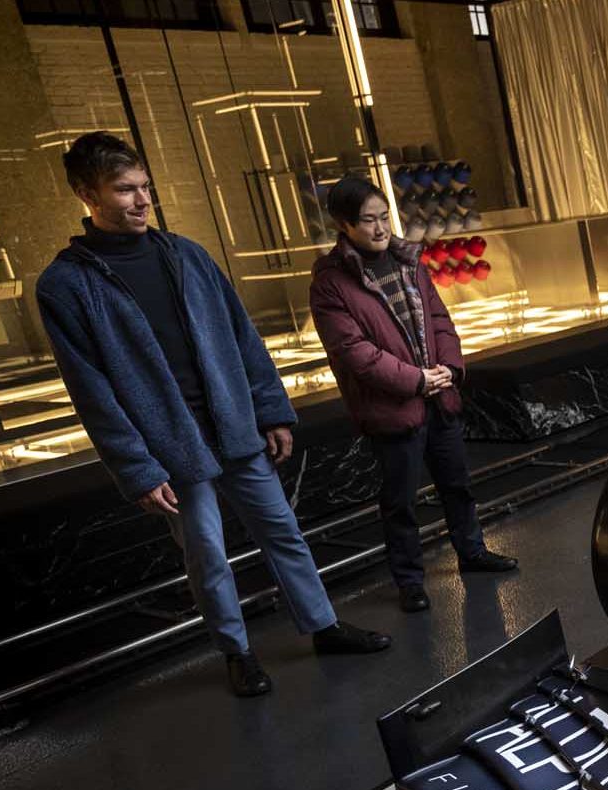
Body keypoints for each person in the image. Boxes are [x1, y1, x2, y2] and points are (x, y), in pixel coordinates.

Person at [35, 132, 391, 698]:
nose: (141, 200)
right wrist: (137, 468)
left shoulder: (187, 255)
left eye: (145, 186)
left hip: (235, 427)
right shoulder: (67, 285)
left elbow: (243, 337)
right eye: (124, 190)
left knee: (285, 533)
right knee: (207, 556)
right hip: (171, 445)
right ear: (86, 194)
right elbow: (91, 391)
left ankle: (324, 626)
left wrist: (271, 409)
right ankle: (237, 652)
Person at [310, 177, 517, 614]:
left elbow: (440, 319)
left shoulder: (409, 259)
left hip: (439, 397)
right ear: (344, 225)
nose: (381, 228)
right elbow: (355, 353)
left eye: (385, 217)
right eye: (369, 220)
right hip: (393, 407)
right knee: (400, 502)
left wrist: (449, 367)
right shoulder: (330, 281)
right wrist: (416, 381)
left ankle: (473, 553)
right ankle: (409, 581)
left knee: (457, 486)